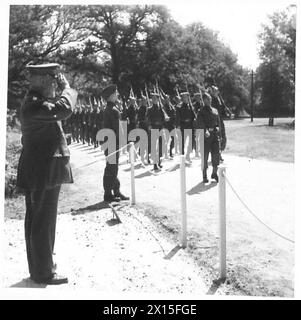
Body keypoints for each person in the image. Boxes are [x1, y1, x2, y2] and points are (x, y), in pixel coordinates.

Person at [16, 63, 78, 285]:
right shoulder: (35, 105)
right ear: (42, 81)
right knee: (43, 220)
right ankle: (43, 272)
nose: (56, 84)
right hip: (42, 170)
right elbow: (64, 108)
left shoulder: (35, 102)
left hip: (39, 169)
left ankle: (40, 267)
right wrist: (69, 89)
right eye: (54, 80)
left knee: (37, 219)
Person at [102, 84, 129, 202]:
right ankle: (108, 194)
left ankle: (116, 191)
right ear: (111, 96)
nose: (117, 94)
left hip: (108, 142)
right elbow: (117, 129)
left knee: (113, 168)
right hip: (113, 143)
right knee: (111, 168)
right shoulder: (113, 110)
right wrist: (124, 142)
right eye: (116, 93)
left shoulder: (108, 109)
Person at [196, 92, 220, 183]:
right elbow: (200, 123)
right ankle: (204, 175)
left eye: (210, 99)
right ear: (204, 100)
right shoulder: (201, 111)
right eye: (207, 99)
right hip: (205, 136)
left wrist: (218, 128)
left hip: (214, 135)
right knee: (205, 156)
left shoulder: (215, 110)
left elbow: (218, 123)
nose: (209, 100)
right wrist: (205, 130)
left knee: (216, 154)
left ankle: (214, 173)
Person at [146, 92, 165, 171]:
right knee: (154, 147)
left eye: (155, 99)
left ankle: (159, 161)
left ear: (158, 100)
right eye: (153, 99)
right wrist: (149, 125)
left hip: (160, 128)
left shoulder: (160, 108)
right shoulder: (149, 109)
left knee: (160, 146)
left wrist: (163, 125)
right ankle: (154, 164)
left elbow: (163, 118)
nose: (154, 100)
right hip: (153, 128)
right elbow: (147, 118)